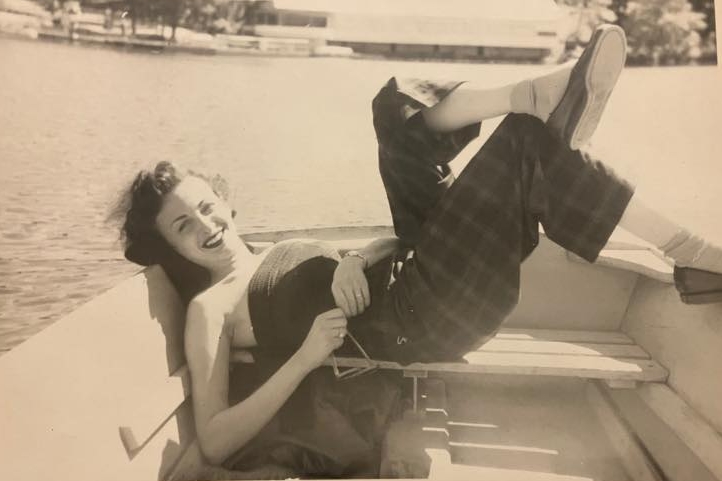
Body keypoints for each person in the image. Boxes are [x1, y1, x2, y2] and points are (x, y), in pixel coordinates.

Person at [116, 24, 721, 476]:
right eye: (183, 226)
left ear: (226, 202)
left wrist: (356, 258)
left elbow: (385, 243)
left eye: (205, 206)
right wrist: (303, 358)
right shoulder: (211, 309)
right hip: (421, 317)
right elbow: (215, 439)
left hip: (419, 270)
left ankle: (534, 97)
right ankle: (688, 249)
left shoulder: (267, 254)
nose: (205, 225)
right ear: (169, 247)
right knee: (525, 145)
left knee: (393, 106)